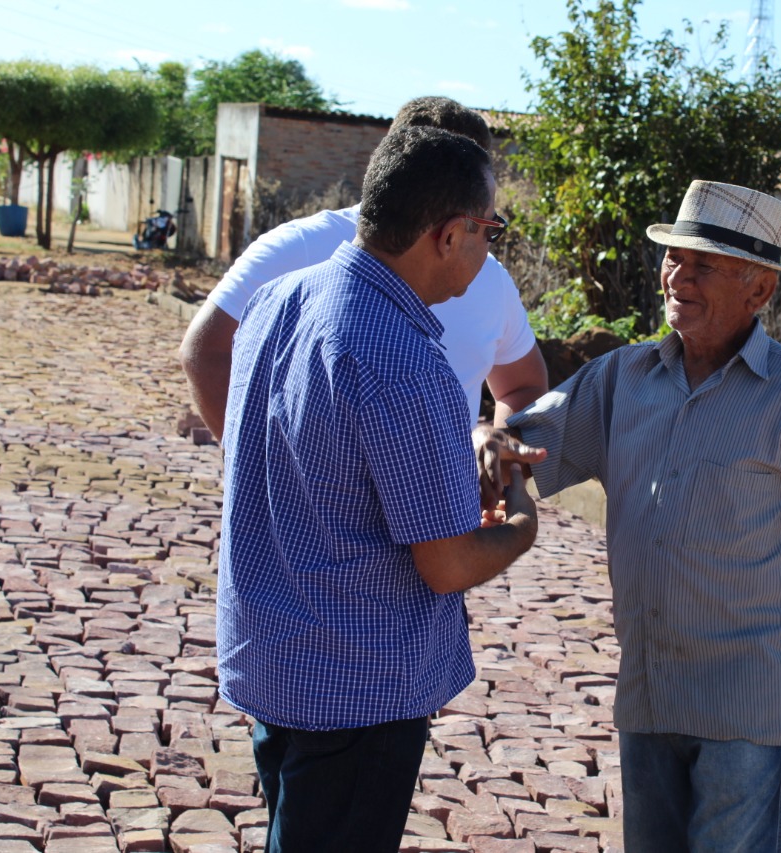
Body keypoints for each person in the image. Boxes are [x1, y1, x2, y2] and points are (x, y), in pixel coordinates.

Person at [478, 181, 781, 853]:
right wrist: (485, 440)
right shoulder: (623, 378)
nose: (678, 276)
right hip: (650, 693)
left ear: (760, 291)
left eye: (704, 265)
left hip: (745, 708)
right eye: (673, 258)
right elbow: (520, 447)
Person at [217, 126, 540, 852]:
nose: (491, 248)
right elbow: (448, 562)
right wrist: (521, 520)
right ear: (449, 234)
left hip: (276, 655)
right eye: (491, 230)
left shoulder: (278, 300)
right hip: (355, 687)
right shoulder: (400, 355)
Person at [179, 96, 548, 438]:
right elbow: (205, 350)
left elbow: (522, 384)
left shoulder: (490, 279)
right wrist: (259, 466)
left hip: (434, 504)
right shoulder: (300, 247)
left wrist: (500, 458)